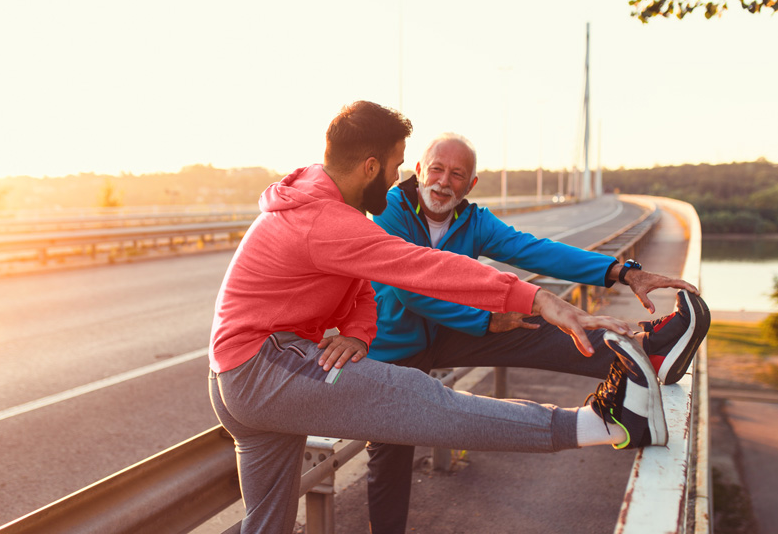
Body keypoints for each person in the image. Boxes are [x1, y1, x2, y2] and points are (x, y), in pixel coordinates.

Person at [207, 101, 708, 534]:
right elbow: (417, 271)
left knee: (267, 525)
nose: (406, 175)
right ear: (370, 166)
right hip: (265, 369)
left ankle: (646, 353)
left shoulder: (330, 206)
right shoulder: (337, 218)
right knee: (419, 401)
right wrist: (531, 300)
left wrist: (359, 334)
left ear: (470, 183)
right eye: (402, 164)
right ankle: (603, 424)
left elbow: (362, 288)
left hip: (250, 375)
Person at [364, 132, 711, 534]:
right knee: (391, 451)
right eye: (437, 169)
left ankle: (649, 354)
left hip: (445, 331)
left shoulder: (474, 222)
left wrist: (623, 272)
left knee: (535, 322)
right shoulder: (391, 211)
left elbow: (537, 250)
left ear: (471, 184)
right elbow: (411, 289)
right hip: (391, 347)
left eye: (457, 174)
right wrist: (485, 320)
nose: (444, 182)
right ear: (420, 170)